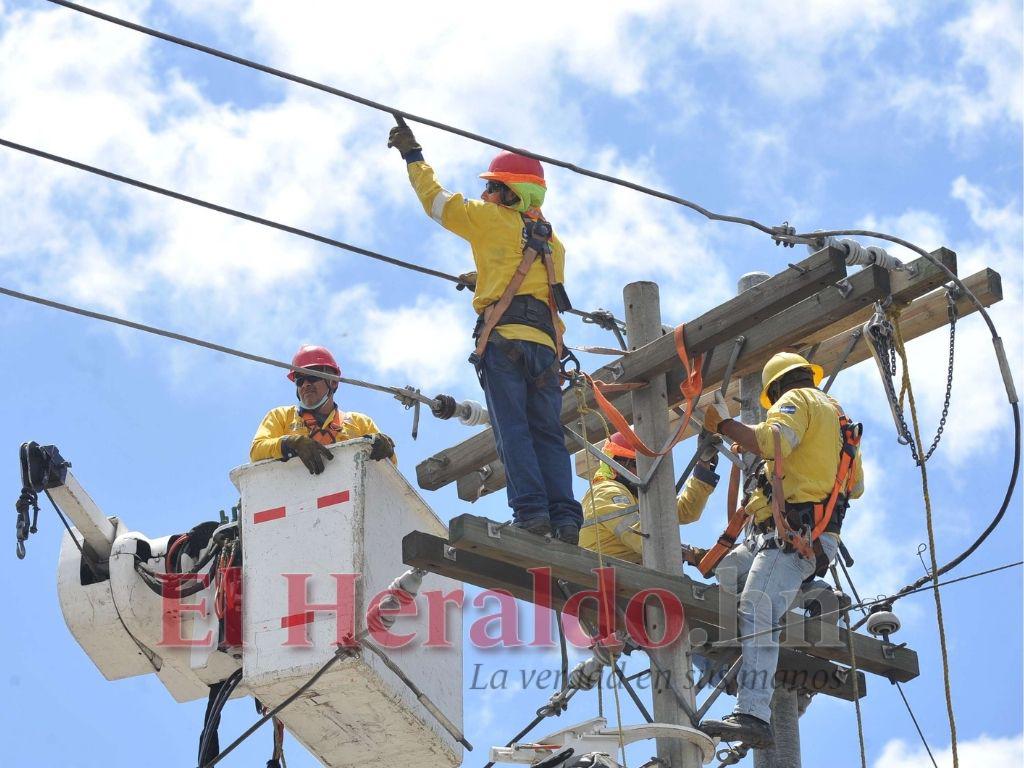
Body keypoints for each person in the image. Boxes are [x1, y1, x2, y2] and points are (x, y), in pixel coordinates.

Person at [388, 122, 583, 543]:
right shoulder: (553, 243)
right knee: (547, 433)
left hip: (505, 341)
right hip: (545, 349)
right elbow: (531, 280)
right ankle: (566, 520)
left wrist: (413, 156)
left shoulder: (489, 219)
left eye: (493, 187)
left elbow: (436, 202)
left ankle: (532, 514)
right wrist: (485, 276)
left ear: (512, 193)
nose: (486, 194)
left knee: (513, 429)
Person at [696, 352, 864, 748]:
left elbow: (774, 440)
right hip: (791, 539)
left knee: (757, 605)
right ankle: (804, 599)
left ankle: (753, 712)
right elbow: (855, 487)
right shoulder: (841, 423)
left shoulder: (797, 400)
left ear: (775, 390)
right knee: (724, 577)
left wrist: (725, 424)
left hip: (792, 540)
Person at [250, 345, 396, 473]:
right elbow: (256, 451)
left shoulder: (360, 423)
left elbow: (391, 470)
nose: (305, 384)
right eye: (300, 380)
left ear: (333, 382)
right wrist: (290, 443)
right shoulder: (281, 416)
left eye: (312, 377)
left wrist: (387, 451)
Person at [579, 432, 721, 562]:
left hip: (626, 573)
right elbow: (640, 537)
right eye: (639, 464)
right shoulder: (606, 490)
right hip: (598, 575)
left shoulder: (638, 496)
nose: (648, 472)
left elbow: (685, 511)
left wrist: (703, 463)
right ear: (619, 464)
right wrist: (688, 553)